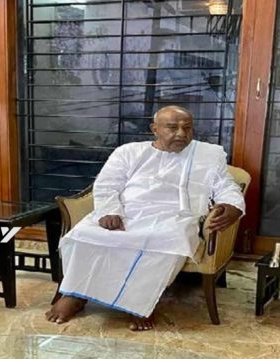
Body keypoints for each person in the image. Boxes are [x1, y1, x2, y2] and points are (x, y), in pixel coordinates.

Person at [46, 106, 245, 331]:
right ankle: (75, 295)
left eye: (187, 128)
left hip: (176, 217)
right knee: (83, 234)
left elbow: (225, 185)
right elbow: (107, 184)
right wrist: (109, 210)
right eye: (172, 127)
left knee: (170, 239)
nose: (181, 133)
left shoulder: (207, 155)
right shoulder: (128, 152)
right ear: (155, 129)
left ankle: (138, 304)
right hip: (127, 212)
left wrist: (232, 205)